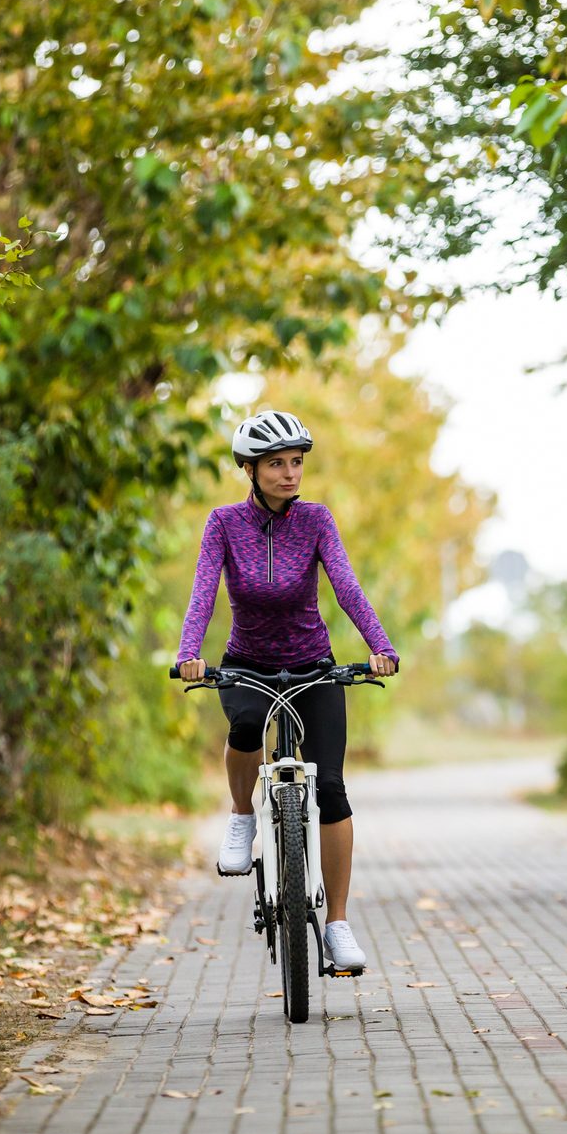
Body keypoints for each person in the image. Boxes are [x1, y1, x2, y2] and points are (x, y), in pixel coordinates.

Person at [176, 410, 398, 972]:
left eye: (296, 462)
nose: (290, 473)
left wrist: (380, 646)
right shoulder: (223, 523)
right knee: (246, 726)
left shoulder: (317, 521)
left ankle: (338, 926)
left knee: (333, 788)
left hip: (312, 666)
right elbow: (203, 591)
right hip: (246, 664)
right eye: (276, 463)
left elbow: (346, 586)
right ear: (249, 469)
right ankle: (240, 815)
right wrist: (188, 654)